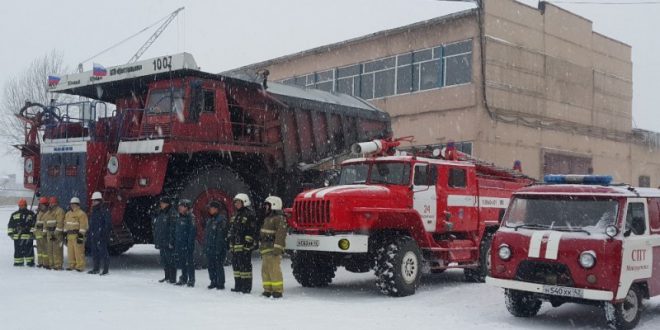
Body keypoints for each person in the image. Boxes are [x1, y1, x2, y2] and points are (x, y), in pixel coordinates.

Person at [259, 196, 287, 298]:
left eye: (268, 205)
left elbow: (280, 235)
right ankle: (267, 289)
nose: (266, 207)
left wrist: (277, 248)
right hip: (266, 249)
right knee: (265, 270)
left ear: (274, 205)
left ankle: (277, 290)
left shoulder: (279, 219)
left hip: (273, 250)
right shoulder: (268, 218)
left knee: (274, 270)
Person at [228, 193, 257, 293]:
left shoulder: (249, 214)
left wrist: (247, 245)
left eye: (238, 202)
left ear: (244, 202)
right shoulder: (235, 215)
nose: (236, 204)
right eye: (235, 202)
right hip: (235, 247)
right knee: (236, 268)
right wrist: (231, 242)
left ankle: (246, 287)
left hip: (244, 247)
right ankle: (238, 286)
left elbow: (251, 231)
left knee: (245, 268)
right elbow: (232, 230)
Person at [204, 200, 228, 290]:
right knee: (211, 266)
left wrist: (219, 249)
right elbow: (207, 235)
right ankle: (213, 281)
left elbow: (220, 237)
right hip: (210, 248)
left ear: (216, 209)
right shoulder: (210, 220)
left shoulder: (221, 220)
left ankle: (220, 283)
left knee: (218, 266)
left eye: (211, 208)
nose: (209, 210)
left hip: (218, 248)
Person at [152, 196, 177, 283]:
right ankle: (167, 277)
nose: (161, 205)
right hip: (162, 241)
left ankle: (172, 278)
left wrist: (171, 241)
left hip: (168, 241)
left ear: (167, 204)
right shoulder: (161, 213)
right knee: (164, 260)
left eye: (162, 203)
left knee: (171, 260)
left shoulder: (171, 213)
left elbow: (172, 228)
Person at [88, 192, 111, 275]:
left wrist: (103, 233)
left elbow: (107, 223)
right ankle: (96, 268)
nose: (93, 202)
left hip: (101, 236)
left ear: (99, 201)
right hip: (94, 235)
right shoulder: (94, 211)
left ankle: (105, 269)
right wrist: (90, 233)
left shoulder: (104, 210)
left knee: (103, 252)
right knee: (94, 252)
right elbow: (91, 223)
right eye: (93, 201)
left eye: (95, 201)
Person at [7, 198, 36, 266]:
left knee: (29, 251)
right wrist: (11, 233)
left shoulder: (31, 214)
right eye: (20, 205)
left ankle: (30, 262)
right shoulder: (14, 214)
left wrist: (32, 233)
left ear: (26, 205)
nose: (21, 207)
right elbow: (10, 225)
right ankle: (18, 262)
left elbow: (34, 225)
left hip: (28, 237)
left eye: (22, 205)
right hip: (17, 237)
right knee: (18, 251)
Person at [175, 199, 196, 287]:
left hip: (187, 245)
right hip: (180, 244)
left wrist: (189, 244)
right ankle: (183, 278)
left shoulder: (191, 218)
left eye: (182, 206)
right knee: (182, 262)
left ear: (187, 207)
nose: (180, 208)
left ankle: (191, 280)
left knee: (189, 262)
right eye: (179, 206)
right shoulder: (179, 217)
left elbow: (192, 233)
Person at [64, 197, 89, 272]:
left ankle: (80, 266)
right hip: (69, 235)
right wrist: (65, 233)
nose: (72, 206)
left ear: (78, 205)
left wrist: (81, 236)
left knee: (79, 252)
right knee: (70, 252)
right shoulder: (68, 214)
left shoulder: (81, 214)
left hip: (77, 235)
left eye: (74, 204)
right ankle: (71, 265)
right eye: (71, 204)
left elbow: (83, 226)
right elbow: (65, 224)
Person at [45, 197, 66, 270]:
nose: (51, 204)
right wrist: (45, 232)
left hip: (56, 234)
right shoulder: (48, 212)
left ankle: (58, 265)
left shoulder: (59, 211)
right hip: (49, 233)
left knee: (57, 250)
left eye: (53, 203)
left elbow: (60, 223)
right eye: (50, 203)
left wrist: (55, 233)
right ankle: (51, 264)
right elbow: (45, 223)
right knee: (50, 249)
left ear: (56, 203)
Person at [32, 197, 50, 268]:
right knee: (39, 250)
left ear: (46, 205)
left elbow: (47, 224)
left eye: (43, 205)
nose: (41, 206)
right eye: (40, 205)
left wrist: (44, 232)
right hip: (38, 233)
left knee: (45, 249)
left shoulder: (48, 213)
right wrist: (34, 231)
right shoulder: (39, 213)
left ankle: (46, 263)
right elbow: (36, 223)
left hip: (44, 233)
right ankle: (40, 262)